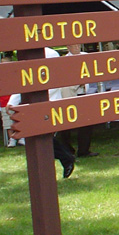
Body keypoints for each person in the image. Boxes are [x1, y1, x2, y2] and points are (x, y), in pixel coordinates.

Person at [6, 48, 74, 178]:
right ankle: (62, 161)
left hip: (49, 102)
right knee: (37, 138)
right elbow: (23, 80)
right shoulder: (26, 54)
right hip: (34, 104)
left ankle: (64, 159)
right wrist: (13, 101)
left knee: (43, 138)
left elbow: (55, 80)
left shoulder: (51, 54)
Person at [58, 44, 99, 158]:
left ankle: (84, 150)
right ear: (68, 47)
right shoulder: (64, 61)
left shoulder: (85, 56)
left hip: (83, 92)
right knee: (66, 123)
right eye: (73, 46)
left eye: (78, 45)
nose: (76, 47)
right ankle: (67, 150)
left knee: (87, 121)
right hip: (69, 94)